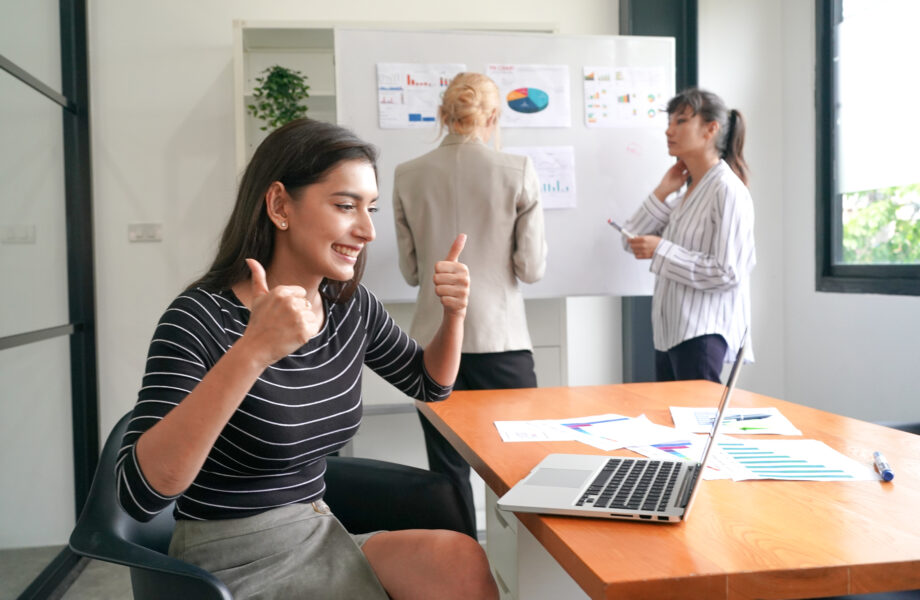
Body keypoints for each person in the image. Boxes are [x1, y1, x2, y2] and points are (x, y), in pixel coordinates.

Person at [115, 118, 498, 600]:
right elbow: (141, 492)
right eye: (345, 206)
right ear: (279, 205)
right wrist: (253, 351)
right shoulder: (199, 317)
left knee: (459, 561)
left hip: (319, 531)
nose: (367, 230)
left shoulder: (348, 306)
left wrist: (454, 314)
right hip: (228, 563)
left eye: (371, 209)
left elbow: (430, 384)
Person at [392, 72, 547, 536]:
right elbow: (532, 267)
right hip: (502, 342)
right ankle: (521, 572)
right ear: (493, 116)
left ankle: (460, 572)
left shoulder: (407, 174)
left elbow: (412, 272)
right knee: (518, 466)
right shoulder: (517, 169)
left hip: (433, 345)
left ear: (444, 116)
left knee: (447, 473)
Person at [621, 87, 755, 383]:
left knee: (696, 426)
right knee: (673, 426)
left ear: (711, 130)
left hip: (703, 334)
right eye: (669, 122)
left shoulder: (727, 190)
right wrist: (662, 190)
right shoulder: (684, 195)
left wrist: (661, 250)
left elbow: (727, 271)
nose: (669, 130)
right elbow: (630, 238)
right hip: (671, 335)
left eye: (680, 121)